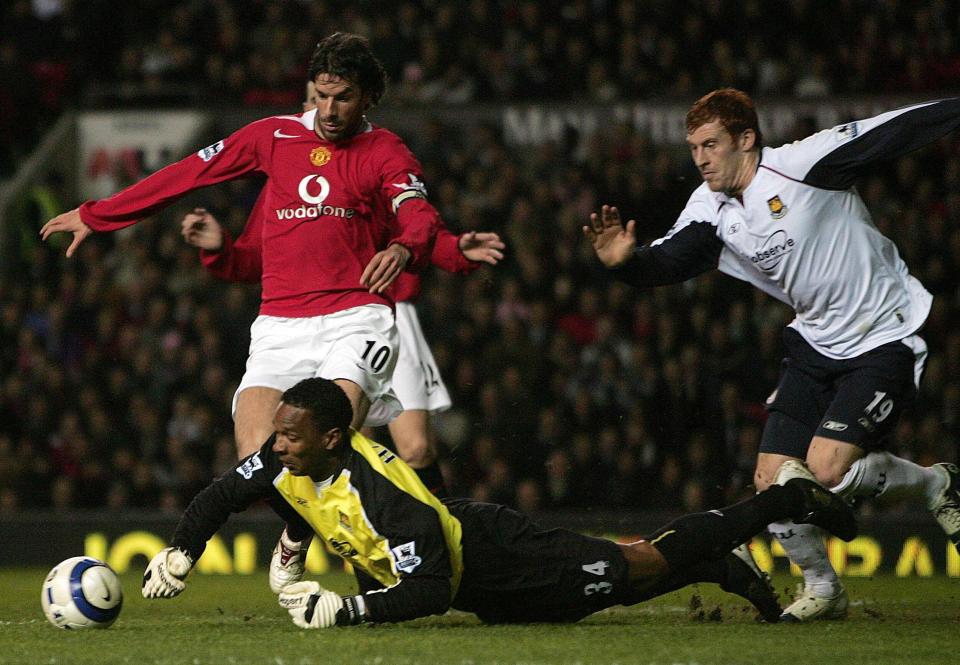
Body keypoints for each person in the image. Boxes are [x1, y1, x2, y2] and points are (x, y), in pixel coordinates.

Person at [40, 33, 447, 591]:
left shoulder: (387, 154)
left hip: (356, 317)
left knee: (322, 441)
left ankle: (393, 567)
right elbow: (188, 173)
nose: (329, 110)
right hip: (279, 324)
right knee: (261, 457)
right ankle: (304, 530)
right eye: (322, 96)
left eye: (344, 98)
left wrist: (402, 247)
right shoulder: (272, 136)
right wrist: (101, 214)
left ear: (369, 97)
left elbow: (419, 215)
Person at [584, 89, 960, 621]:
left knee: (825, 471)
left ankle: (935, 485)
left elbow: (895, 129)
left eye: (711, 144)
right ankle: (823, 588)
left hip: (884, 332)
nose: (701, 158)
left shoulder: (804, 165)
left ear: (746, 139)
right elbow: (667, 263)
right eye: (693, 147)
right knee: (771, 478)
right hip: (813, 341)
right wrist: (626, 264)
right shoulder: (708, 209)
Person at [140, 377, 857, 628]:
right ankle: (718, 568)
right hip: (483, 586)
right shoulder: (287, 456)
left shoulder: (387, 494)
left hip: (489, 554)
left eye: (291, 438)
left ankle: (780, 500)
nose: (277, 447)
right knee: (605, 598)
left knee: (631, 568)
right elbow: (219, 495)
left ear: (334, 436)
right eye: (279, 436)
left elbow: (428, 587)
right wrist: (181, 549)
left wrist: (350, 608)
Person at [180, 82, 504, 500]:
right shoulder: (286, 181)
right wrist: (222, 247)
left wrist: (455, 250)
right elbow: (256, 263)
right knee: (338, 450)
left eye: (335, 101)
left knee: (416, 446)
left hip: (380, 313)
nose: (323, 112)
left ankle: (441, 538)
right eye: (315, 102)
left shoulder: (372, 159)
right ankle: (362, 555)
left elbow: (415, 227)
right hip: (302, 322)